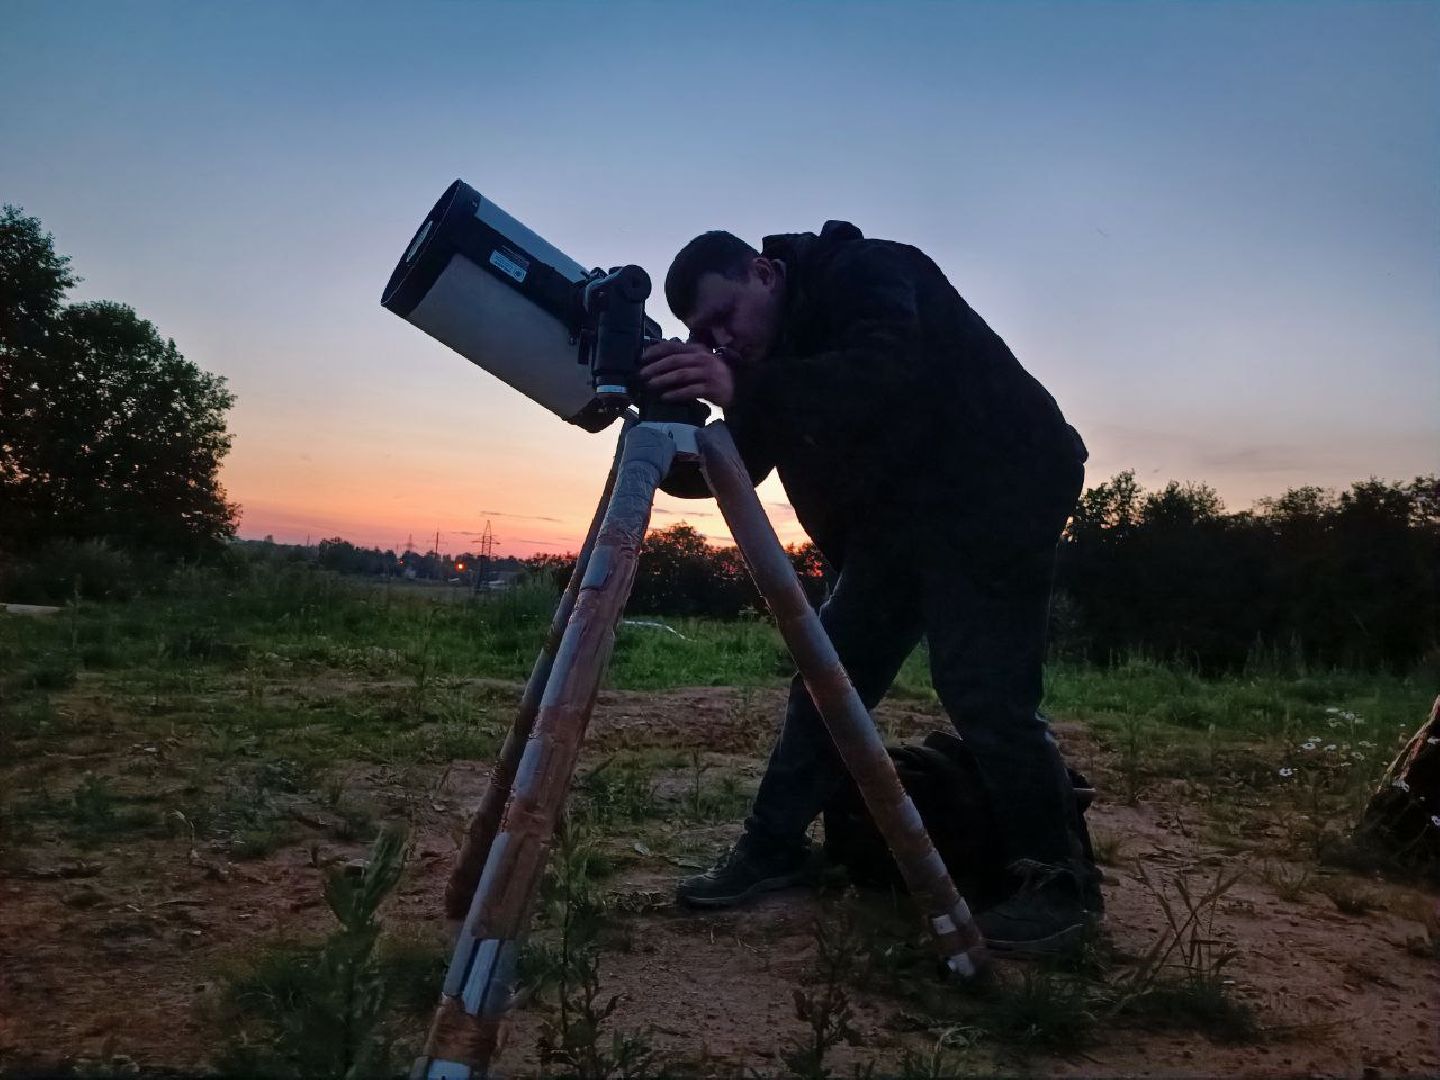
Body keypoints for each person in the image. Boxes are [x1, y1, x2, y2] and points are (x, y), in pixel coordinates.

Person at [638, 221, 1095, 954]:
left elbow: (887, 370)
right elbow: (739, 462)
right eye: (703, 334)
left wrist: (743, 384)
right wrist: (657, 432)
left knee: (984, 689)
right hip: (900, 519)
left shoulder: (866, 269)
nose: (720, 340)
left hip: (1000, 486)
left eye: (724, 317)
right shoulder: (765, 364)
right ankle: (774, 847)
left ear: (764, 273)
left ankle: (1061, 886)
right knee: (828, 678)